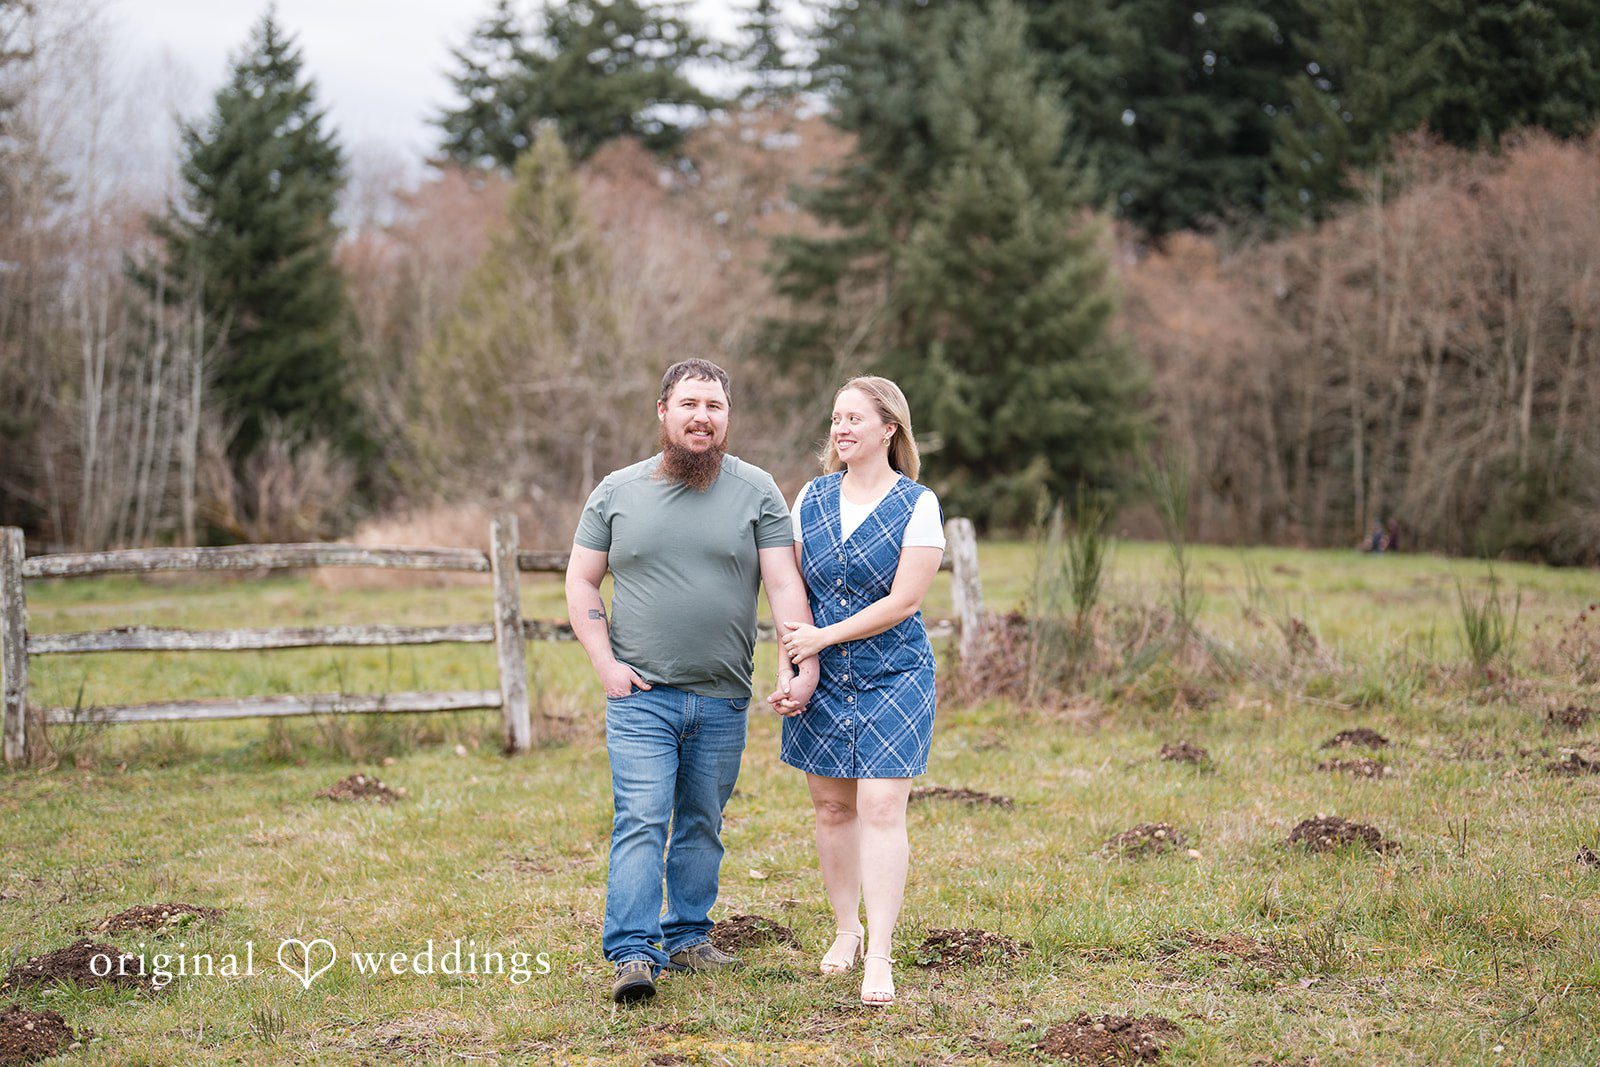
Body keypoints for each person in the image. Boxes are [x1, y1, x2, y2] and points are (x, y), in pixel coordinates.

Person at [565, 359, 819, 1004]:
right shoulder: (617, 491)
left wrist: (801, 663)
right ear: (663, 412)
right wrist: (605, 664)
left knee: (703, 821)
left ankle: (687, 937)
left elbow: (785, 582)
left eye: (715, 406)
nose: (702, 417)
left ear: (727, 417)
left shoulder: (757, 489)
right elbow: (581, 580)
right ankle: (632, 953)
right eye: (689, 404)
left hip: (722, 696)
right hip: (641, 696)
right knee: (643, 819)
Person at [771, 376, 945, 1007]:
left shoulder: (916, 504)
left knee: (878, 809)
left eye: (854, 419)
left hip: (894, 676)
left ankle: (880, 953)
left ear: (888, 429)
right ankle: (845, 930)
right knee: (832, 809)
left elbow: (905, 601)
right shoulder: (810, 499)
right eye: (836, 418)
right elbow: (791, 591)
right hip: (820, 676)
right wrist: (793, 663)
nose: (840, 429)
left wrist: (822, 638)